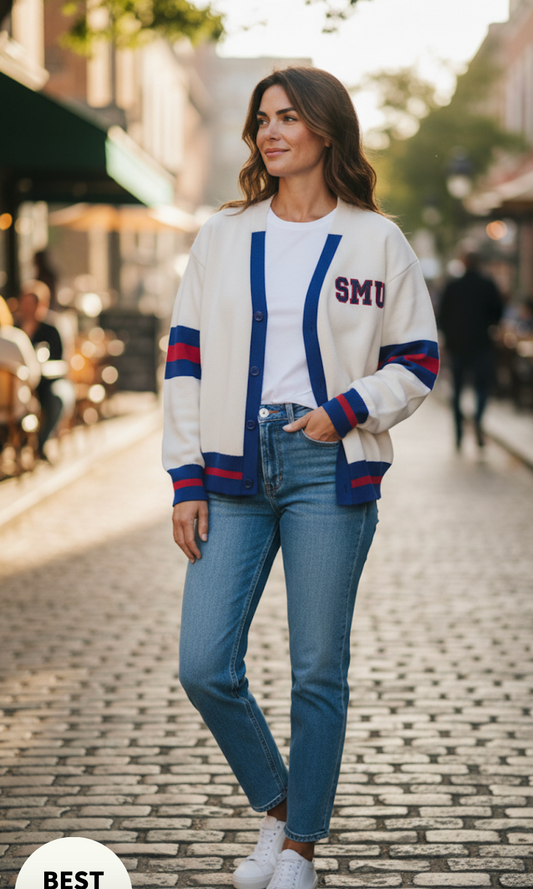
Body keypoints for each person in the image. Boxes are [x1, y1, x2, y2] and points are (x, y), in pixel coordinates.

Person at [163, 66, 439, 889]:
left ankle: (301, 852)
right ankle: (281, 809)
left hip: (329, 464)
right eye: (261, 119)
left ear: (325, 128)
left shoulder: (375, 240)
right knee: (203, 664)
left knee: (317, 667)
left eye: (287, 117)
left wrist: (346, 408)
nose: (270, 132)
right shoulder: (223, 234)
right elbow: (184, 357)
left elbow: (416, 360)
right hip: (231, 467)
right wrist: (185, 477)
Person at [437, 252, 503, 450]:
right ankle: (478, 420)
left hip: (457, 346)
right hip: (481, 345)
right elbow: (498, 313)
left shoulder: (452, 286)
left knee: (457, 390)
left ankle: (459, 432)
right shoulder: (488, 285)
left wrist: (448, 337)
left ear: (464, 263)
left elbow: (442, 316)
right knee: (481, 388)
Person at [15, 283, 72, 459]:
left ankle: (41, 442)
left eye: (30, 304)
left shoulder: (51, 329)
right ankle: (17, 443)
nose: (26, 308)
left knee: (58, 398)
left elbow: (62, 362)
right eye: (24, 303)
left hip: (48, 382)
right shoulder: (15, 328)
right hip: (20, 383)